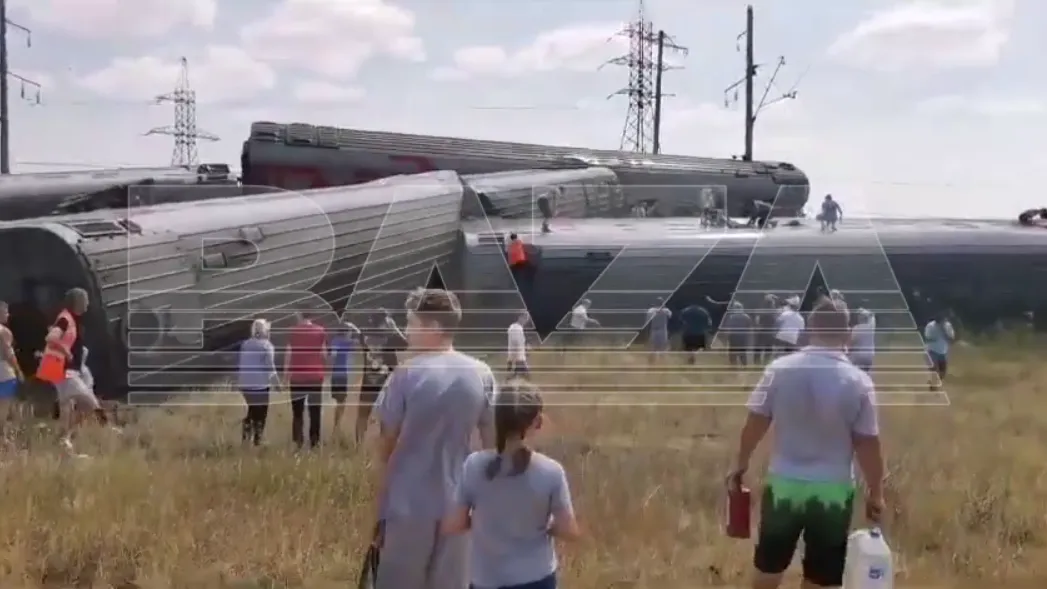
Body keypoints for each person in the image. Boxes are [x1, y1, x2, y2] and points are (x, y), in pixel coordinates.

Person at [728, 299, 885, 589]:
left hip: (784, 483)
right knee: (822, 576)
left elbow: (755, 423)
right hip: (833, 489)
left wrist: (740, 464)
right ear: (848, 333)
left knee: (769, 565)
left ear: (810, 327)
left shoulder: (779, 369)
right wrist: (876, 493)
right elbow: (868, 443)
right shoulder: (859, 381)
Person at [373, 288, 497, 589]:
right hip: (460, 508)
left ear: (433, 328)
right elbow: (493, 447)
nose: (407, 331)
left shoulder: (405, 375)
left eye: (412, 323)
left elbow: (384, 448)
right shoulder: (483, 374)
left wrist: (378, 510)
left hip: (407, 507)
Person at [442, 379, 580, 589]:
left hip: (486, 579)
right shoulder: (551, 472)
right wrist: (547, 525)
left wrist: (482, 521)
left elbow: (454, 524)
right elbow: (569, 530)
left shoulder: (474, 465)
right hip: (536, 578)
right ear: (538, 422)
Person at [37, 288, 111, 455]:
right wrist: (66, 352)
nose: (87, 304)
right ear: (77, 301)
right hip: (62, 369)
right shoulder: (65, 319)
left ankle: (64, 438)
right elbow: (51, 338)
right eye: (85, 300)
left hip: (68, 370)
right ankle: (105, 427)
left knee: (68, 405)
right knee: (86, 399)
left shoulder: (72, 319)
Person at [356, 309, 408, 446]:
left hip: (369, 377)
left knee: (363, 414)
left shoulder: (363, 333)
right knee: (387, 415)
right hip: (386, 379)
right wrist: (394, 328)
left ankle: (358, 444)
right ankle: (384, 444)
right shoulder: (390, 335)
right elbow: (405, 344)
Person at [283, 312, 327, 449]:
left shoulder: (293, 331)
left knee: (297, 413)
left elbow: (288, 353)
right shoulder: (320, 331)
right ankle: (314, 443)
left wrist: (285, 376)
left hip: (297, 377)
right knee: (315, 411)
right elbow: (324, 353)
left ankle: (298, 443)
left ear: (300, 316)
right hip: (315, 376)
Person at [238, 318, 277, 446]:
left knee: (253, 409)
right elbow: (270, 367)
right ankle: (258, 439)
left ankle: (246, 436)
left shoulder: (246, 344)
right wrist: (278, 384)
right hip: (260, 385)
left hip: (245, 384)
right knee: (261, 412)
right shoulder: (267, 346)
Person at [329, 321, 360, 434]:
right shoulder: (347, 342)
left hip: (337, 374)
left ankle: (336, 425)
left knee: (340, 401)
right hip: (341, 375)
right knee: (341, 401)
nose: (351, 333)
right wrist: (354, 327)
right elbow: (359, 337)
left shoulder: (336, 341)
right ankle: (336, 427)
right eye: (350, 331)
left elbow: (332, 356)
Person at [0, 302, 23, 438]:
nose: (8, 315)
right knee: (5, 407)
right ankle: (4, 437)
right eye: (6, 312)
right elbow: (9, 354)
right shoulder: (4, 332)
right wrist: (19, 371)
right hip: (4, 373)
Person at [923, 312, 955, 390]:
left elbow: (951, 338)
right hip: (932, 350)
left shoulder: (948, 326)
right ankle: (933, 386)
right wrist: (935, 335)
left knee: (943, 372)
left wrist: (944, 331)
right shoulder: (930, 326)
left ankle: (934, 382)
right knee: (934, 369)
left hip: (943, 351)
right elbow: (927, 337)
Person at [720, 301, 753, 367]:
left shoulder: (732, 317)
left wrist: (725, 340)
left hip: (733, 337)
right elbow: (749, 329)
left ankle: (733, 368)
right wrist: (749, 339)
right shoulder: (747, 317)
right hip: (743, 338)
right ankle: (744, 367)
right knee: (743, 353)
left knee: (732, 354)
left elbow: (728, 328)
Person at [848, 309, 876, 373]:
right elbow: (872, 315)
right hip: (869, 355)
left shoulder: (857, 328)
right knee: (866, 374)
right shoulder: (871, 325)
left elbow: (851, 342)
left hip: (858, 356)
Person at [507, 311, 530, 377]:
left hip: (513, 358)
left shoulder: (515, 327)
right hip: (518, 359)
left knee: (514, 377)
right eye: (525, 318)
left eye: (527, 319)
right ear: (520, 317)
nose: (526, 321)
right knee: (526, 376)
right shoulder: (517, 328)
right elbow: (517, 344)